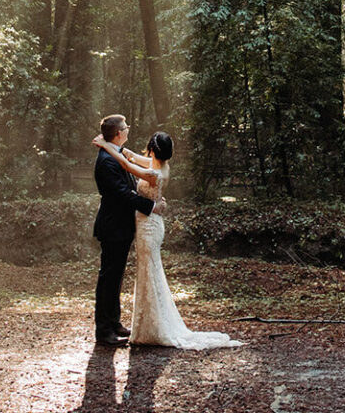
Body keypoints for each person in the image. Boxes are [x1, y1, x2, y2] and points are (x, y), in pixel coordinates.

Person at [93, 130, 242, 349]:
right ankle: (136, 323)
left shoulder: (154, 173)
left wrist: (107, 147)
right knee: (146, 273)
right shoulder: (159, 165)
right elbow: (132, 157)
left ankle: (154, 325)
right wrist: (115, 148)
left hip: (149, 227)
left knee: (149, 273)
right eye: (124, 128)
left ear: (152, 149)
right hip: (147, 225)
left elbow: (127, 166)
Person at [93, 114, 164, 348]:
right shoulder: (107, 160)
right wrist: (151, 207)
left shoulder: (117, 153)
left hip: (121, 226)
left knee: (116, 277)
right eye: (125, 127)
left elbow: (131, 182)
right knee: (109, 278)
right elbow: (122, 194)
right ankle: (104, 330)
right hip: (113, 226)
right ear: (118, 133)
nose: (128, 129)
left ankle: (114, 323)